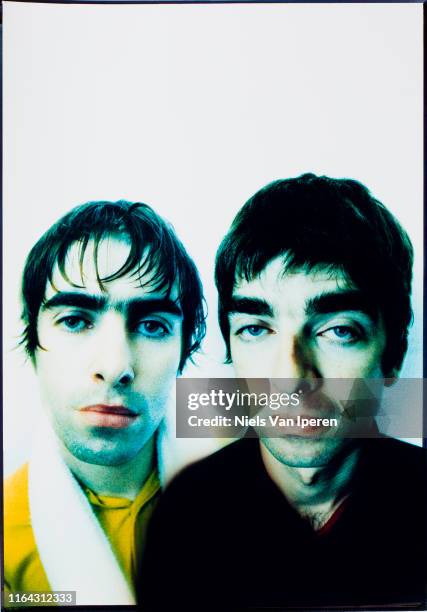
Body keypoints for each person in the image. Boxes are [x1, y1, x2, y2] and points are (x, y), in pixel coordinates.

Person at [140, 174, 426, 610]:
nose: (291, 375)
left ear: (395, 351)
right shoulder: (185, 518)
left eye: (338, 331)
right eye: (256, 328)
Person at [3, 200, 205, 606]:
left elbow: (361, 407)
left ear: (186, 347)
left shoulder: (260, 480)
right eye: (75, 320)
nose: (115, 367)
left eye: (152, 325)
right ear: (31, 339)